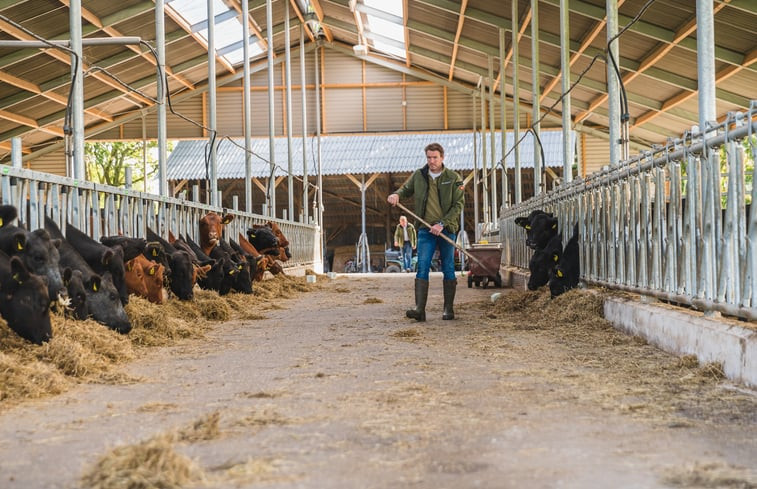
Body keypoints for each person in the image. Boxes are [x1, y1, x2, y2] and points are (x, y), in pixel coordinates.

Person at [387, 142, 465, 321]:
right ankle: (419, 309)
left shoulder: (453, 178)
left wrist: (442, 224)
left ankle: (448, 309)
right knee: (422, 266)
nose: (431, 161)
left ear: (442, 157)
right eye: (429, 157)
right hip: (425, 230)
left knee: (448, 267)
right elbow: (405, 190)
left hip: (446, 230)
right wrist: (397, 194)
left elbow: (458, 205)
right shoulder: (419, 176)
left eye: (435, 157)